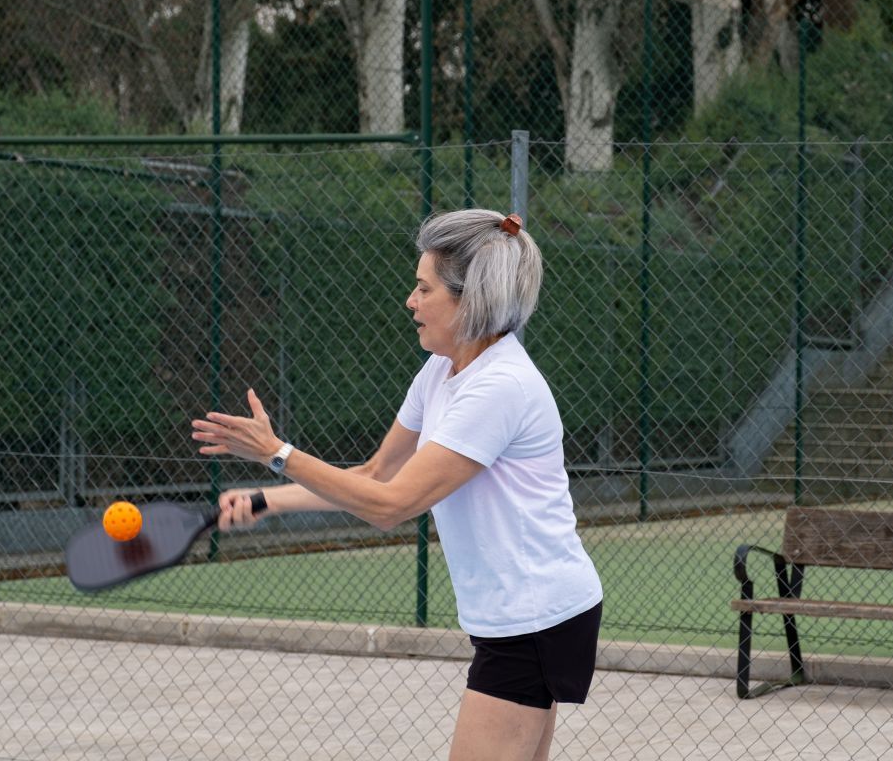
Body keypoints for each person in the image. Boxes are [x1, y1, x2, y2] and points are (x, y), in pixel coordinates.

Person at [191, 208, 603, 761]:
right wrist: (269, 497)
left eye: (422, 287)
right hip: (518, 614)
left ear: (469, 301)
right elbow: (374, 475)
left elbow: (391, 506)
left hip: (535, 617)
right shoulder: (439, 372)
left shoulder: (500, 387)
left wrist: (277, 454)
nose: (410, 301)